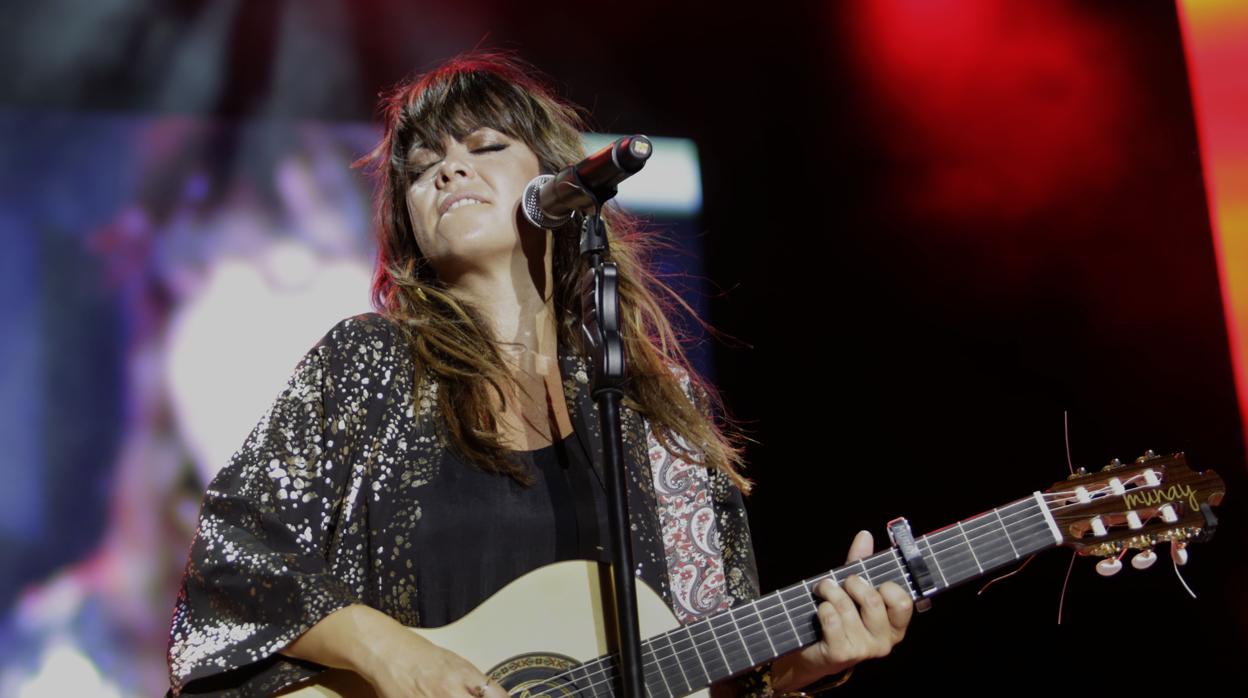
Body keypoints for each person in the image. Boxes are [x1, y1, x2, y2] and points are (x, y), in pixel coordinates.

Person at [166, 50, 914, 697]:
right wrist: (389, 652)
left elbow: (703, 665)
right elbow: (237, 560)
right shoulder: (367, 364)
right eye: (422, 169)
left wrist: (795, 668)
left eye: (485, 146)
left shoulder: (659, 416)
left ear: (561, 184)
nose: (449, 168)